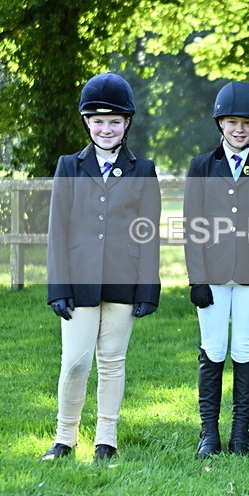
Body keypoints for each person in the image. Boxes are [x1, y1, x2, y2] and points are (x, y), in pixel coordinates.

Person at [42, 72, 162, 462]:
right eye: (97, 120)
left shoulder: (143, 170)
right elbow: (57, 230)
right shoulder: (68, 166)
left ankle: (106, 439)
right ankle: (64, 438)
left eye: (114, 121)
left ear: (127, 123)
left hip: (124, 282)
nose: (105, 128)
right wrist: (58, 286)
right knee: (76, 363)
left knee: (112, 362)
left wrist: (147, 289)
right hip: (78, 282)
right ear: (86, 122)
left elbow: (149, 235)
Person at [184, 81, 249, 459]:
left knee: (244, 348)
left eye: (246, 123)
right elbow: (192, 225)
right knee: (213, 349)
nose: (239, 129)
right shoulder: (202, 166)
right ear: (220, 124)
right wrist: (197, 279)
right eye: (231, 122)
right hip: (211, 271)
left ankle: (241, 433)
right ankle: (209, 433)